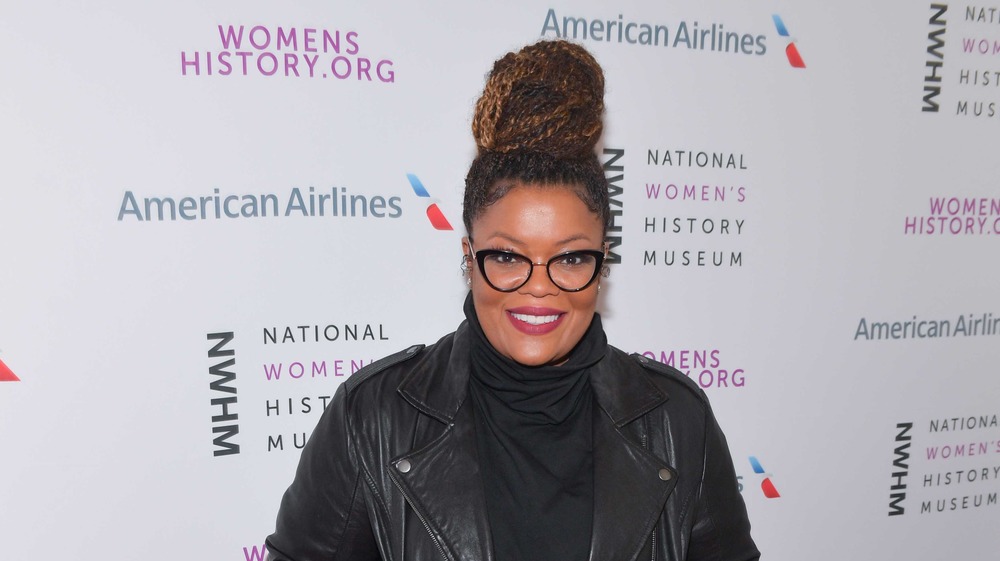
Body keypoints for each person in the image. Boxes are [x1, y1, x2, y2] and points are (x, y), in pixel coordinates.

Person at [265, 39, 759, 561]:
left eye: (569, 259)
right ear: (469, 256)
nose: (538, 286)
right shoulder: (370, 418)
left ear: (601, 263)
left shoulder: (678, 421)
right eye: (507, 257)